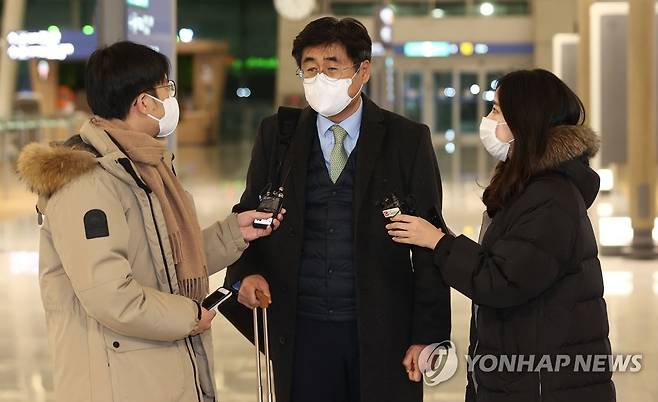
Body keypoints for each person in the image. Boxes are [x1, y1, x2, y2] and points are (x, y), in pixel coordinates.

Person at [16, 41, 284, 402]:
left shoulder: (143, 168)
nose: (172, 99)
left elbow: (163, 259)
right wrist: (189, 315)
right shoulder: (87, 182)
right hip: (119, 380)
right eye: (166, 89)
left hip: (154, 370)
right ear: (144, 102)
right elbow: (109, 295)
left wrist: (232, 234)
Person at [220, 17, 451, 402]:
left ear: (363, 71)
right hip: (302, 326)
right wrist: (244, 274)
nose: (319, 77)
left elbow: (429, 243)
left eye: (332, 67)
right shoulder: (279, 134)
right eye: (310, 68)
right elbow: (249, 212)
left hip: (382, 329)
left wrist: (427, 336)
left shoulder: (406, 139)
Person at [386, 69, 615, 402]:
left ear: (525, 122)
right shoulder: (530, 187)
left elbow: (502, 280)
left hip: (543, 384)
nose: (487, 120)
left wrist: (439, 243)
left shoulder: (551, 198)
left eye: (496, 111)